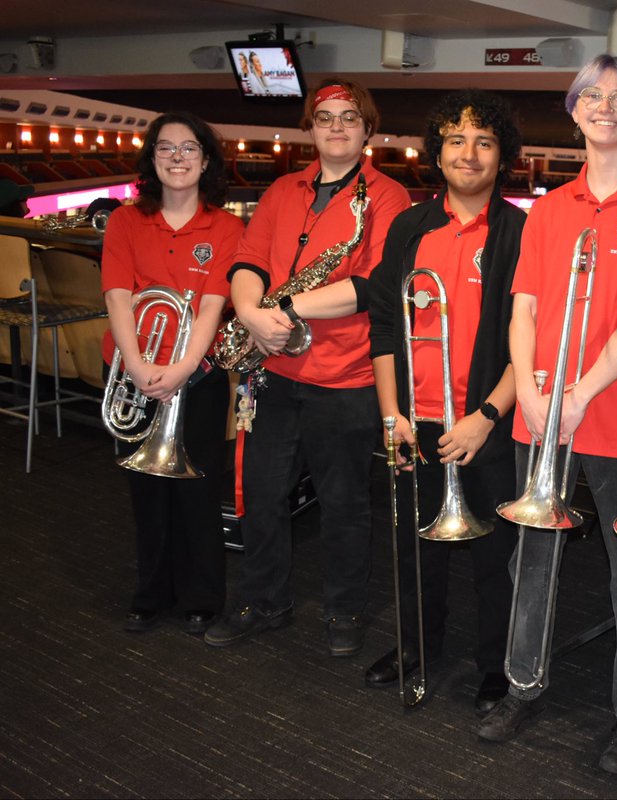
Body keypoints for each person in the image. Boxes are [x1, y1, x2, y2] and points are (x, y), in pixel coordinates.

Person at [476, 54, 617, 775]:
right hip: (539, 412)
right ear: (574, 111)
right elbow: (524, 310)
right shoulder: (551, 209)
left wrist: (578, 394)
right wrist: (535, 398)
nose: (604, 106)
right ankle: (522, 685)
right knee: (529, 565)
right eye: (590, 96)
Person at [205, 78, 411, 656]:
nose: (337, 127)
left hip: (344, 379)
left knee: (345, 503)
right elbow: (247, 259)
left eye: (350, 117)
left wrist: (283, 308)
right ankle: (262, 599)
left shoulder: (388, 197)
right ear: (311, 128)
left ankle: (345, 608)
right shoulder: (281, 189)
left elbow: (371, 286)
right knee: (261, 495)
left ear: (368, 130)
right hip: (271, 372)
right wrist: (250, 311)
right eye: (326, 117)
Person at [364, 89, 525, 715]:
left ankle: (495, 665)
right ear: (438, 152)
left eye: (484, 142)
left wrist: (487, 417)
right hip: (416, 423)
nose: (469, 153)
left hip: (486, 427)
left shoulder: (519, 232)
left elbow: (529, 340)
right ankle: (417, 648)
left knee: (494, 556)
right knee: (415, 547)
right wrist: (391, 414)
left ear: (501, 155)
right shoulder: (410, 226)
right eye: (456, 140)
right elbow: (383, 324)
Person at [100, 111, 243, 635]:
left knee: (198, 488)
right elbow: (117, 296)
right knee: (145, 489)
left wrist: (181, 368)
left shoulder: (226, 227)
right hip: (132, 368)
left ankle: (202, 595)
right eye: (166, 148)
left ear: (206, 161)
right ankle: (151, 592)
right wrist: (136, 364)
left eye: (189, 149)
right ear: (151, 158)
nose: (177, 158)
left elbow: (210, 308)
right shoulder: (124, 221)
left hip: (195, 373)